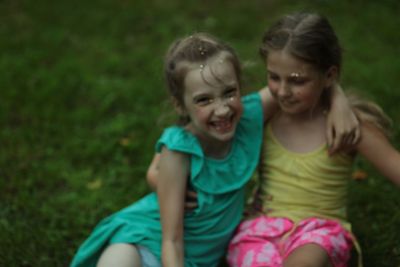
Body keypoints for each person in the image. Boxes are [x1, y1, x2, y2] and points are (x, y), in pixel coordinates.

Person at [71, 32, 358, 267]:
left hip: (199, 260)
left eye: (229, 93)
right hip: (149, 243)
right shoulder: (179, 150)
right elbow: (171, 240)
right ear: (180, 105)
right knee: (119, 260)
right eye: (204, 100)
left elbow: (299, 85)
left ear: (239, 87)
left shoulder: (248, 117)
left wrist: (338, 97)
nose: (222, 109)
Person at [226, 12, 400, 267]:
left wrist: (338, 100)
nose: (283, 91)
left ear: (329, 75)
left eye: (297, 81)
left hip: (318, 233)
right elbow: (213, 122)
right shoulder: (268, 113)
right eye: (274, 77)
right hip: (261, 230)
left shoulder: (347, 124)